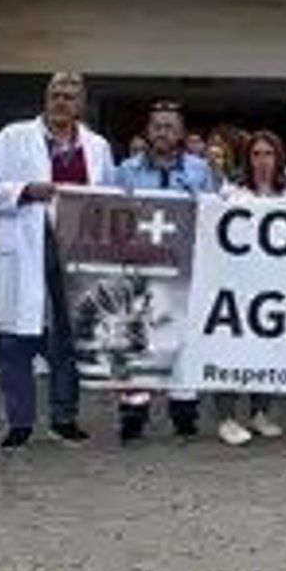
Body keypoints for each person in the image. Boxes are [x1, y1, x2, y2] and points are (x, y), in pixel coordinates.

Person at [0, 72, 113, 449]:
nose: (62, 102)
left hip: (76, 246)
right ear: (45, 99)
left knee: (70, 334)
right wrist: (23, 190)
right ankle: (19, 421)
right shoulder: (13, 137)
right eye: (55, 94)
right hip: (26, 244)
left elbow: (110, 197)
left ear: (81, 103)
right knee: (18, 337)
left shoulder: (97, 146)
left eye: (70, 96)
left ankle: (64, 416)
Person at [112, 101, 216, 442]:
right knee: (137, 339)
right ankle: (134, 411)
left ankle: (184, 410)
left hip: (183, 267)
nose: (162, 132)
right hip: (138, 266)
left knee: (183, 340)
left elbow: (213, 214)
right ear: (147, 130)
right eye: (157, 126)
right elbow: (104, 209)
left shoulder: (199, 170)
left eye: (170, 126)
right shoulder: (126, 170)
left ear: (181, 133)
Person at [213, 130, 286, 446]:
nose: (262, 161)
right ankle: (226, 417)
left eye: (268, 154)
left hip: (274, 286)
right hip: (236, 286)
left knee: (267, 351)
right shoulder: (232, 195)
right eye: (256, 154)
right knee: (230, 352)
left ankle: (260, 412)